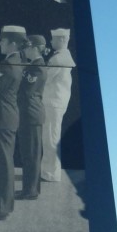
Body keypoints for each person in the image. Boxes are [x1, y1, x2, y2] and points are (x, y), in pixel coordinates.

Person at [0, 26, 25, 219]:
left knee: (2, 164)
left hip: (2, 118)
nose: (0, 43)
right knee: (0, 163)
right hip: (5, 117)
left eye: (3, 41)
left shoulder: (9, 66)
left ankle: (1, 208)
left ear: (13, 43)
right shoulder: (14, 62)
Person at [41, 28, 75, 182]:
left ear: (62, 40)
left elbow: (44, 78)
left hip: (52, 103)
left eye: (54, 39)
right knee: (52, 137)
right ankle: (51, 171)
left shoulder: (57, 59)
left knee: (50, 138)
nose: (51, 41)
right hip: (57, 102)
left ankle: (51, 173)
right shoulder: (64, 56)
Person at [16, 34, 47, 199]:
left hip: (31, 114)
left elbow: (27, 92)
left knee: (32, 155)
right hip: (27, 114)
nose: (25, 50)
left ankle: (31, 191)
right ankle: (29, 188)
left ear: (35, 48)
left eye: (27, 47)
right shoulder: (31, 66)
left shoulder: (38, 67)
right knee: (27, 154)